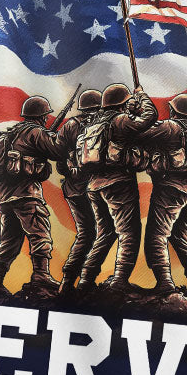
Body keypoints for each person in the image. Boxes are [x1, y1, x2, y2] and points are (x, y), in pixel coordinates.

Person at [0, 95, 71, 295]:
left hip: (4, 197)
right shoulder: (35, 132)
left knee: (9, 240)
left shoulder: (9, 135)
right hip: (26, 194)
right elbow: (57, 150)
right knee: (39, 233)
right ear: (40, 116)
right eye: (45, 116)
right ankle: (41, 275)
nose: (47, 119)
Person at [78, 82, 158, 290]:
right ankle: (120, 281)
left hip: (95, 186)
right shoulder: (120, 121)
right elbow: (149, 118)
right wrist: (143, 96)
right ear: (123, 103)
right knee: (128, 232)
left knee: (105, 233)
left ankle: (86, 279)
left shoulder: (94, 124)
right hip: (118, 184)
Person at [139, 92, 187, 293]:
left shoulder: (171, 127)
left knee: (157, 236)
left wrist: (141, 109)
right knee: (180, 237)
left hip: (170, 189)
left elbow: (141, 133)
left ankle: (165, 283)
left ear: (174, 110)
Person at [56, 88, 103, 291]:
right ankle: (81, 280)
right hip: (94, 187)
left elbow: (58, 156)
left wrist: (69, 170)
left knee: (88, 233)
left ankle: (70, 280)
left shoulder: (70, 126)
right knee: (98, 233)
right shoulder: (101, 124)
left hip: (75, 187)